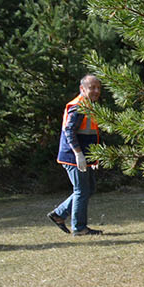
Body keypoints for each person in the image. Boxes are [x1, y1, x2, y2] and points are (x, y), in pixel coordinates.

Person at [48, 75, 104, 236]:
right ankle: (79, 228)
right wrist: (78, 154)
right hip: (73, 157)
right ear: (82, 89)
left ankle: (59, 214)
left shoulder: (89, 105)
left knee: (89, 188)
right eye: (92, 87)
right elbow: (69, 131)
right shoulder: (78, 106)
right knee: (82, 190)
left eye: (98, 88)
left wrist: (94, 157)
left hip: (85, 156)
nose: (96, 91)